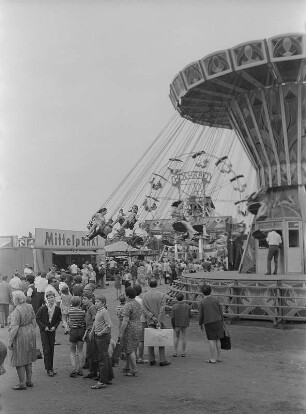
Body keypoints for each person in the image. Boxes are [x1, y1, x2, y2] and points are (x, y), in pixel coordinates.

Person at [8, 291, 37, 390]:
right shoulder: (29, 306)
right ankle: (29, 380)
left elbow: (14, 327)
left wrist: (10, 341)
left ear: (16, 300)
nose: (12, 300)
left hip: (21, 334)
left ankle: (21, 383)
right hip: (30, 332)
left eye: (13, 298)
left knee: (19, 359)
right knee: (28, 358)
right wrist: (32, 330)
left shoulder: (17, 311)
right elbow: (34, 320)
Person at [142, 279, 171, 367]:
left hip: (150, 320)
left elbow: (144, 309)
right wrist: (158, 320)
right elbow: (162, 309)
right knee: (160, 339)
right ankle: (162, 359)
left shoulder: (145, 295)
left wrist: (152, 317)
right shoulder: (161, 295)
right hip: (160, 320)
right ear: (157, 284)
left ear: (149, 284)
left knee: (150, 339)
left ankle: (152, 359)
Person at [90, 295, 114, 389]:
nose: (96, 303)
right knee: (105, 357)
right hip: (98, 336)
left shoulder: (104, 312)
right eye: (95, 301)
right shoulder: (99, 311)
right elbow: (96, 323)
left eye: (98, 302)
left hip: (102, 337)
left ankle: (102, 381)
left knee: (102, 358)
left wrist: (101, 332)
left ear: (103, 303)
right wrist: (92, 331)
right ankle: (108, 377)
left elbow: (109, 325)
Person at [36, 291, 62, 377]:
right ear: (46, 299)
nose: (51, 299)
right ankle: (48, 369)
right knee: (46, 349)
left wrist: (55, 326)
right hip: (44, 331)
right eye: (49, 298)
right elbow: (38, 319)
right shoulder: (43, 308)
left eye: (52, 297)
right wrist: (44, 327)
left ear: (54, 298)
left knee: (51, 349)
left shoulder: (57, 309)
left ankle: (51, 367)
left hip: (52, 331)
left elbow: (58, 319)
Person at [118, 287, 142, 377]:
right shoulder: (137, 304)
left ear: (127, 295)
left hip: (130, 328)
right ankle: (127, 366)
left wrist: (121, 332)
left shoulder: (128, 305)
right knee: (132, 347)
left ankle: (134, 369)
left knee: (129, 349)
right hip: (138, 326)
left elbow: (125, 320)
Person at [198, 284, 224, 364]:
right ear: (210, 291)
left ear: (202, 292)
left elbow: (201, 314)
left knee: (211, 339)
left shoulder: (202, 302)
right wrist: (222, 319)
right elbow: (220, 310)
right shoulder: (216, 299)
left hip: (208, 321)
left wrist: (200, 323)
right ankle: (219, 357)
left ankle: (213, 358)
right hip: (218, 320)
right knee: (218, 338)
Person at [68, 296, 86, 377]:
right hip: (81, 330)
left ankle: (74, 368)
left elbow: (68, 320)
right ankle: (80, 369)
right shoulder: (82, 312)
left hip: (73, 330)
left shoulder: (70, 311)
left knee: (72, 351)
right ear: (79, 303)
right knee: (80, 350)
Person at [82, 292, 98, 379]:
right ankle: (91, 369)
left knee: (91, 351)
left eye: (85, 299)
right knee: (89, 351)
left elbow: (95, 320)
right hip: (89, 331)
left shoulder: (92, 308)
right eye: (82, 299)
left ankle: (93, 371)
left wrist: (91, 331)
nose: (83, 300)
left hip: (92, 331)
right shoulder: (88, 308)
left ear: (90, 299)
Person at [171, 292, 192, 357]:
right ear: (183, 298)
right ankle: (183, 352)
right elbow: (190, 315)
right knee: (184, 337)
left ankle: (175, 352)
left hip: (177, 323)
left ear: (177, 298)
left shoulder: (174, 306)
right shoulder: (187, 306)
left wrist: (173, 325)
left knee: (176, 337)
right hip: (184, 323)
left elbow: (172, 317)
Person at [134, 284, 148, 364]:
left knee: (135, 339)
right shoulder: (141, 300)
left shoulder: (131, 300)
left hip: (134, 321)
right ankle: (140, 357)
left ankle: (135, 357)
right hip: (142, 320)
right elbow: (144, 311)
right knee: (141, 340)